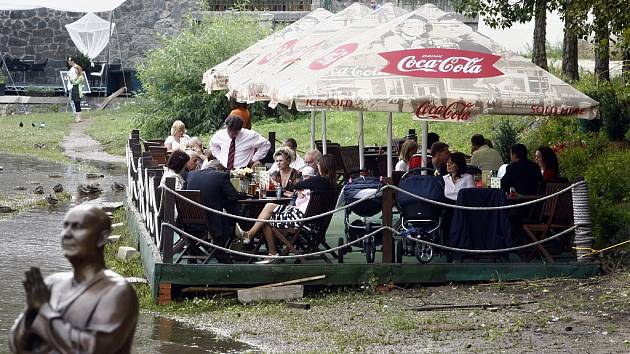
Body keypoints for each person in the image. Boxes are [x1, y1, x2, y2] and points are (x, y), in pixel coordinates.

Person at [9, 205, 138, 354]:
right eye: (65, 226)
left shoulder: (118, 292)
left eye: (77, 227)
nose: (66, 234)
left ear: (102, 237)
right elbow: (16, 346)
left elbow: (91, 350)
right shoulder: (52, 283)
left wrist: (44, 310)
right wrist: (32, 312)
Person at [235, 155, 338, 264]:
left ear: (323, 166)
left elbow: (297, 185)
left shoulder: (319, 181)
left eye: (318, 165)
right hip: (314, 222)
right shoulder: (333, 185)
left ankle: (252, 238)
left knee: (268, 210)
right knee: (266, 217)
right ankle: (267, 250)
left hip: (302, 221)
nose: (317, 168)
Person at [185, 162, 244, 264]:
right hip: (211, 221)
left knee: (227, 215)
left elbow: (183, 193)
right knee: (231, 220)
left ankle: (195, 250)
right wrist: (245, 195)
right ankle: (219, 252)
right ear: (219, 168)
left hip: (187, 219)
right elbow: (233, 196)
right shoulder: (221, 176)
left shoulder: (191, 174)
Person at [67, 56, 85, 123]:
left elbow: (75, 82)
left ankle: (78, 117)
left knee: (77, 104)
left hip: (77, 91)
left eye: (76, 70)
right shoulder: (76, 76)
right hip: (74, 90)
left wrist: (70, 78)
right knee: (75, 103)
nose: (75, 71)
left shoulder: (80, 77)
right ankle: (77, 117)